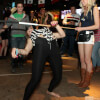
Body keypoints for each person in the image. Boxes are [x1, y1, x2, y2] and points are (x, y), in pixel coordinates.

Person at [12, 20, 65, 99]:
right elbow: (26, 51)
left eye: (30, 29)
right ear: (28, 34)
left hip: (54, 54)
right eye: (28, 31)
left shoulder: (49, 34)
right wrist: (17, 50)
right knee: (35, 79)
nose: (29, 30)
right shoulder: (31, 40)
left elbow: (62, 34)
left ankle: (49, 90)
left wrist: (56, 25)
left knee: (58, 77)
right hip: (40, 55)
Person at [0, 2, 30, 72]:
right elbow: (7, 25)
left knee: (21, 51)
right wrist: (1, 30)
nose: (20, 8)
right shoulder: (12, 16)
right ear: (16, 8)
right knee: (15, 51)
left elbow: (28, 26)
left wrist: (31, 29)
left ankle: (20, 63)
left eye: (21, 7)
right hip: (14, 36)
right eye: (18, 7)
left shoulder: (26, 16)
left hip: (22, 36)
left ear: (23, 8)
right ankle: (14, 64)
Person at [75, 0, 99, 88]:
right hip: (81, 35)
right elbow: (81, 24)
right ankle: (82, 80)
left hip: (89, 35)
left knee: (87, 59)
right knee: (82, 60)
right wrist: (79, 28)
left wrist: (82, 28)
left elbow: (97, 26)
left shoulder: (94, 9)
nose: (82, 0)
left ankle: (87, 81)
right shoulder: (83, 10)